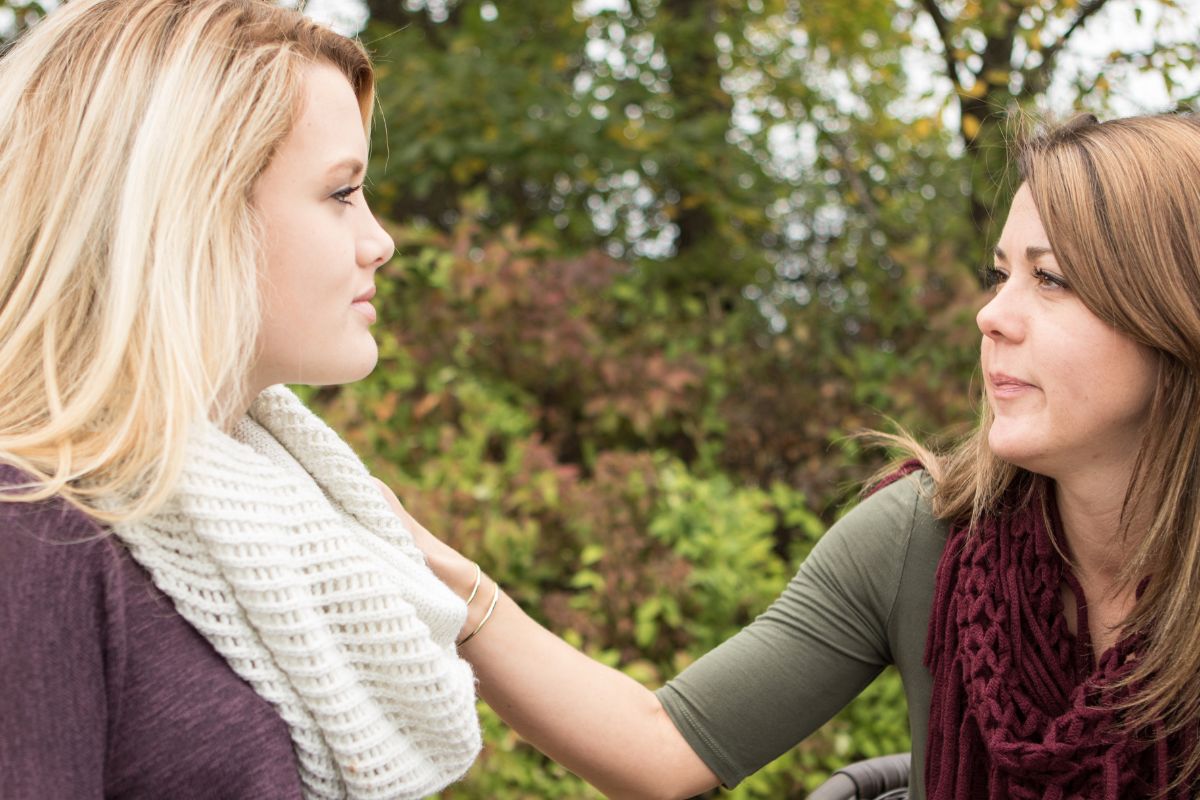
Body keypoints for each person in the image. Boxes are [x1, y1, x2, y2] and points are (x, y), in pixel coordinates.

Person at [400, 112, 1200, 800]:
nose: (993, 314)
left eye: (1051, 279)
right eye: (999, 274)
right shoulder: (926, 538)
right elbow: (657, 749)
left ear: (1174, 311)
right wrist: (448, 585)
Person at [0, 2, 482, 798]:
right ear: (190, 214)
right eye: (341, 193)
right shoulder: (33, 528)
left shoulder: (282, 509)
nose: (380, 240)